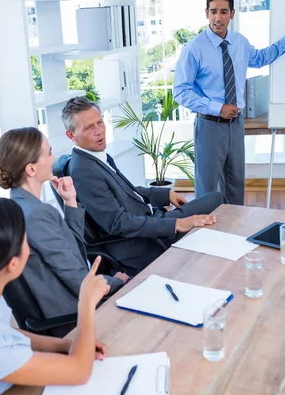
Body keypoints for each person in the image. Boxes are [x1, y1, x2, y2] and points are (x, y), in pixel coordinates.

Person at [0, 197, 110, 395]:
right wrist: (86, 303)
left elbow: (6, 334)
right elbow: (79, 371)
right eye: (25, 239)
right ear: (13, 264)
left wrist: (63, 345)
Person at [61, 96, 226, 275]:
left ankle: (212, 263)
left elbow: (125, 191)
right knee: (216, 202)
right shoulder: (83, 171)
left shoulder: (96, 157)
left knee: (216, 200)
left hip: (152, 220)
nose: (99, 131)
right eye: (88, 127)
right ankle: (214, 269)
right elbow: (118, 223)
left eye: (100, 122)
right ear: (71, 135)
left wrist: (164, 194)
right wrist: (176, 224)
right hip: (142, 242)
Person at [173, 0, 285, 204]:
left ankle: (233, 233)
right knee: (207, 188)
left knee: (235, 185)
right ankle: (207, 234)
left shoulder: (239, 42)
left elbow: (261, 58)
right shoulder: (194, 48)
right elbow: (181, 90)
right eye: (213, 11)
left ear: (232, 14)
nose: (218, 17)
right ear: (206, 13)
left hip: (236, 124)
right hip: (209, 125)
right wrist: (218, 107)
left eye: (223, 11)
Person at [0, 127, 128, 322]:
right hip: (72, 314)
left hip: (60, 310)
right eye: (49, 153)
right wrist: (116, 282)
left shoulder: (15, 207)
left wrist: (70, 202)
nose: (54, 158)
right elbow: (78, 279)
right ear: (31, 169)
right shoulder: (38, 214)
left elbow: (72, 251)